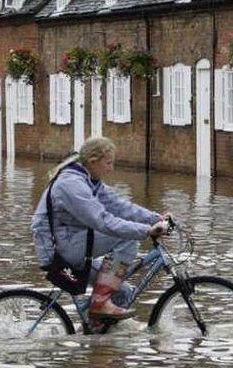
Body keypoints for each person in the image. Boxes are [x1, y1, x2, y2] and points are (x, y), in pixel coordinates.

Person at [31, 137, 170, 320]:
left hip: (72, 243)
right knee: (126, 237)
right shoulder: (71, 184)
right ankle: (100, 302)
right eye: (108, 163)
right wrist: (146, 231)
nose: (111, 169)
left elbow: (120, 206)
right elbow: (102, 221)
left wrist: (156, 218)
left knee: (123, 292)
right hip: (58, 250)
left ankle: (96, 336)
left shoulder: (89, 180)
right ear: (93, 161)